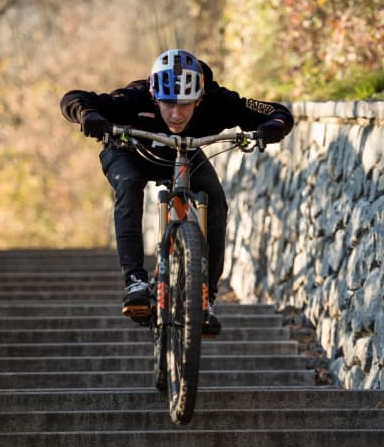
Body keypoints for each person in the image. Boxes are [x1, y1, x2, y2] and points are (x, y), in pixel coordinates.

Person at [60, 49, 293, 336]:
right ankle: (134, 279)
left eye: (185, 105)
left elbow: (274, 112)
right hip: (130, 151)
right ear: (154, 96)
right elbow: (74, 98)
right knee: (130, 184)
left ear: (199, 98)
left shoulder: (217, 101)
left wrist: (273, 126)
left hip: (183, 156)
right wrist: (87, 116)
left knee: (215, 200)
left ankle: (205, 297)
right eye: (167, 104)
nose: (175, 113)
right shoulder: (135, 97)